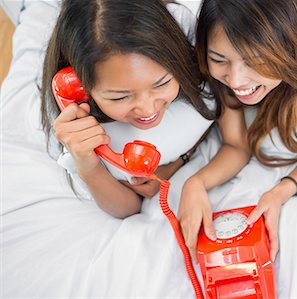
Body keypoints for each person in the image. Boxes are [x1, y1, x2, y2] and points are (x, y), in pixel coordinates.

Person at [178, 0, 297, 261]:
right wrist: (195, 183)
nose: (236, 81)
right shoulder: (215, 44)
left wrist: (280, 191)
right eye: (219, 60)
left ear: (284, 50)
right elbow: (236, 145)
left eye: (254, 62)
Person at [40, 0, 216, 218]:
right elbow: (127, 209)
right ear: (80, 87)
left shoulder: (186, 35)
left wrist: (178, 164)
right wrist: (86, 163)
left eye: (162, 83)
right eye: (121, 96)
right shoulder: (77, 121)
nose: (147, 109)